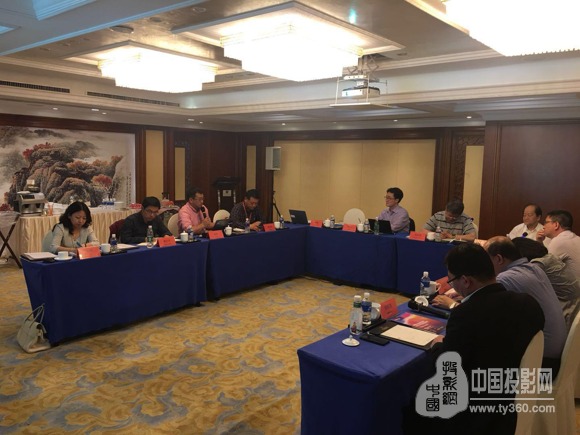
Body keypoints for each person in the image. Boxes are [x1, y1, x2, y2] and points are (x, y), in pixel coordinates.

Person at [406, 243, 544, 435]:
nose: (451, 285)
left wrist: (438, 346)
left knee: (411, 405)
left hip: (477, 415)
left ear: (465, 281)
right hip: (512, 398)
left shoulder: (466, 315)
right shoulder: (528, 303)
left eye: (451, 280)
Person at [485, 236, 566, 374]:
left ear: (498, 259)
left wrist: (451, 303)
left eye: (486, 259)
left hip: (541, 363)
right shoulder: (533, 268)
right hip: (554, 354)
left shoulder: (507, 277)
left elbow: (481, 308)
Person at [512, 237, 580, 331]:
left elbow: (521, 284)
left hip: (565, 312)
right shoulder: (550, 257)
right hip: (574, 305)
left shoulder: (538, 264)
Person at [537, 210, 580, 278]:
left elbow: (543, 267)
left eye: (546, 222)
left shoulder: (559, 241)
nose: (543, 227)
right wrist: (540, 242)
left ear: (556, 225)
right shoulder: (576, 237)